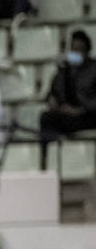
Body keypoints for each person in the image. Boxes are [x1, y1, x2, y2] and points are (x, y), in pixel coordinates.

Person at [39, 31, 96, 169]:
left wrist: (81, 109)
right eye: (73, 49)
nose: (75, 53)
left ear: (87, 51)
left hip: (88, 115)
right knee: (46, 117)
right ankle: (50, 162)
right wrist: (52, 100)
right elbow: (52, 92)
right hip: (68, 116)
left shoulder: (94, 68)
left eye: (79, 50)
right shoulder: (64, 69)